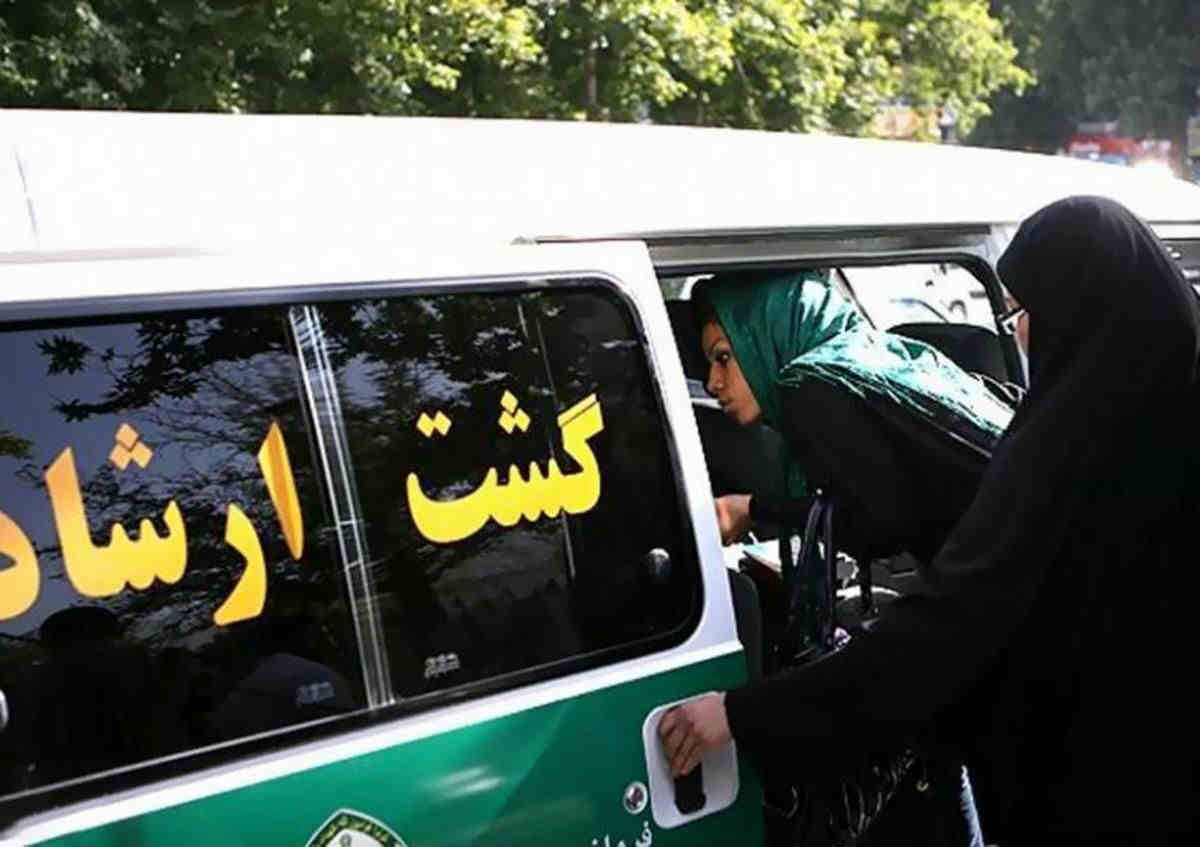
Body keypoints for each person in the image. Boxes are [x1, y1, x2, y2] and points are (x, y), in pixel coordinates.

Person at [659, 196, 1200, 842]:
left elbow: (944, 629)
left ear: (1083, 314)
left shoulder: (1058, 464)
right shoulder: (1148, 431)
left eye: (1027, 312)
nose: (1018, 334)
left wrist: (741, 715)